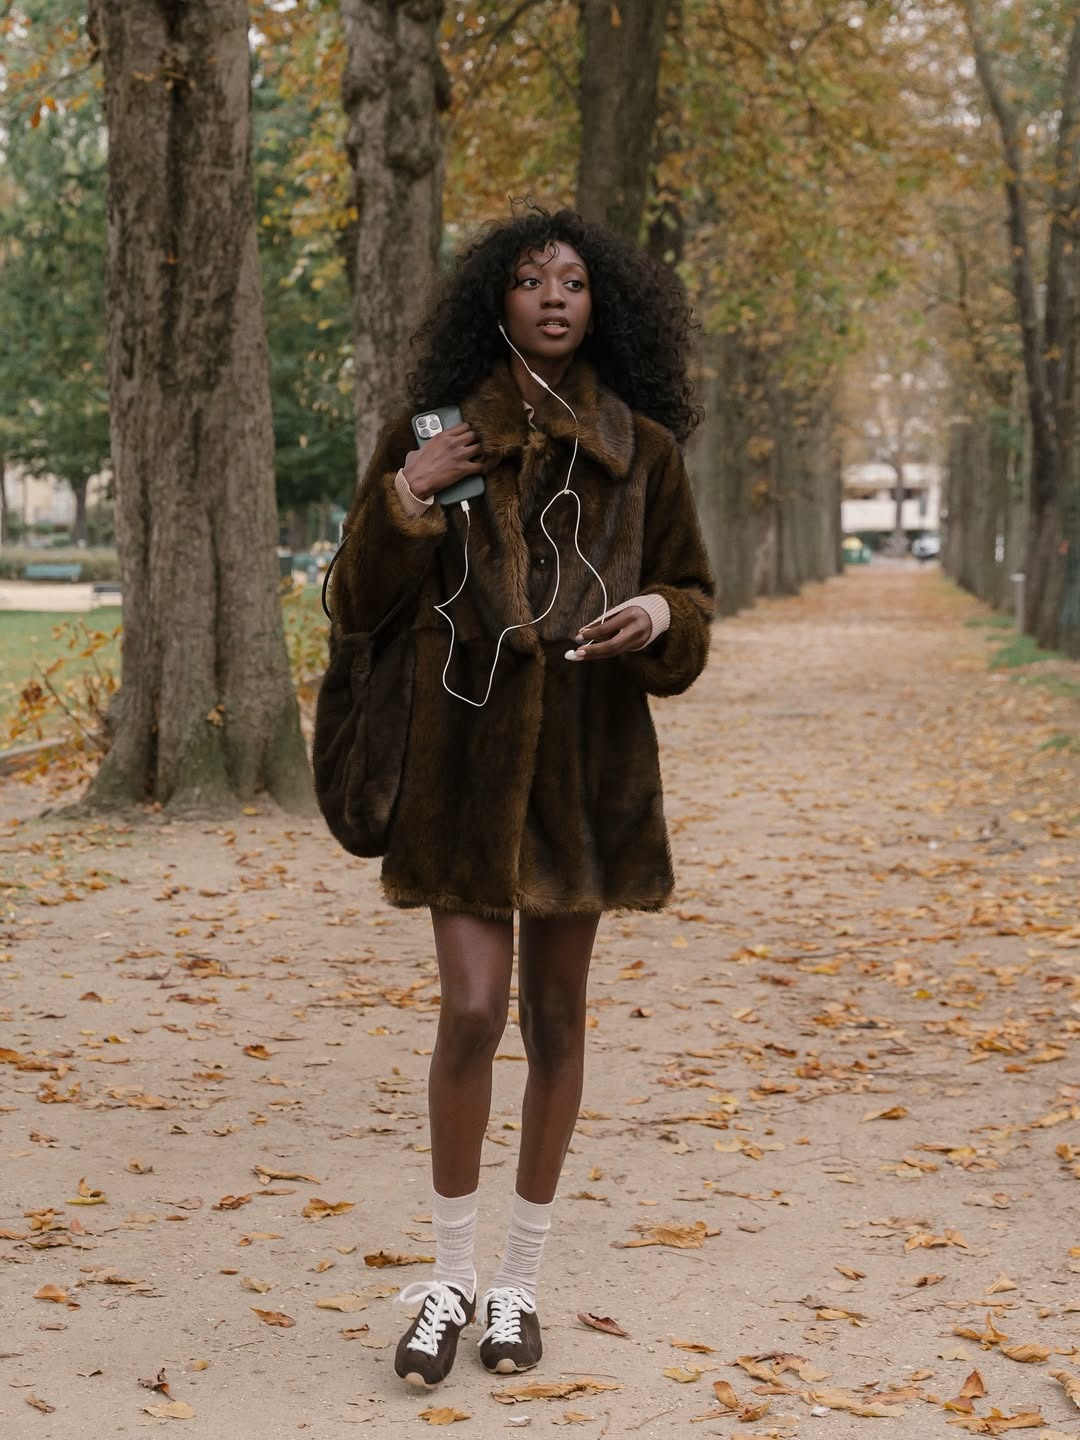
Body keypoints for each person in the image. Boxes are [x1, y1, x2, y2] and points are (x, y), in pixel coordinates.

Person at [326, 206, 715, 1389]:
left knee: (556, 1020)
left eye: (576, 282)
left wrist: (657, 614)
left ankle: (519, 1286)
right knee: (472, 1010)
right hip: (459, 767)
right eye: (532, 280)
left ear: (604, 309)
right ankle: (447, 1279)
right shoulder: (436, 434)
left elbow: (689, 599)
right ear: (493, 302)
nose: (555, 297)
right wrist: (406, 490)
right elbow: (355, 599)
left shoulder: (640, 448)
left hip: (587, 774)